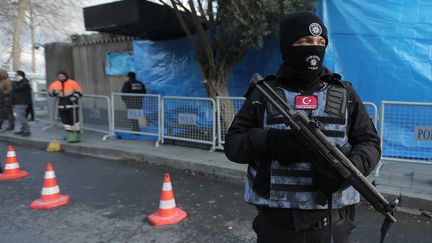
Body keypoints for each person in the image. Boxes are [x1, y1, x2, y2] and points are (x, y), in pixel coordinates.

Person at [224, 11, 381, 243]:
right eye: (305, 41)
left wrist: (348, 170)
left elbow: (370, 143)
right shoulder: (264, 93)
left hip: (333, 224)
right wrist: (271, 141)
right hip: (276, 226)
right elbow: (233, 145)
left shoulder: (344, 92)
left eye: (320, 42)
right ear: (288, 46)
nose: (314, 48)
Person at [48, 71, 83, 143]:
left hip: (72, 105)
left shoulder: (72, 83)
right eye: (59, 76)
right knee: (65, 121)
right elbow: (50, 92)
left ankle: (77, 134)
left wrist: (75, 96)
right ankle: (70, 134)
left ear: (65, 76)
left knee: (74, 120)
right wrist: (54, 92)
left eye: (62, 76)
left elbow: (79, 91)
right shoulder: (55, 84)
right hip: (61, 106)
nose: (61, 77)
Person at [12, 70, 32, 137]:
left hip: (22, 102)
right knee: (21, 117)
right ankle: (23, 129)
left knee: (21, 117)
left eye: (16, 75)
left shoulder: (25, 83)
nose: (15, 76)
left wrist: (14, 82)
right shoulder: (20, 82)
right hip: (18, 102)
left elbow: (16, 88)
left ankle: (27, 130)